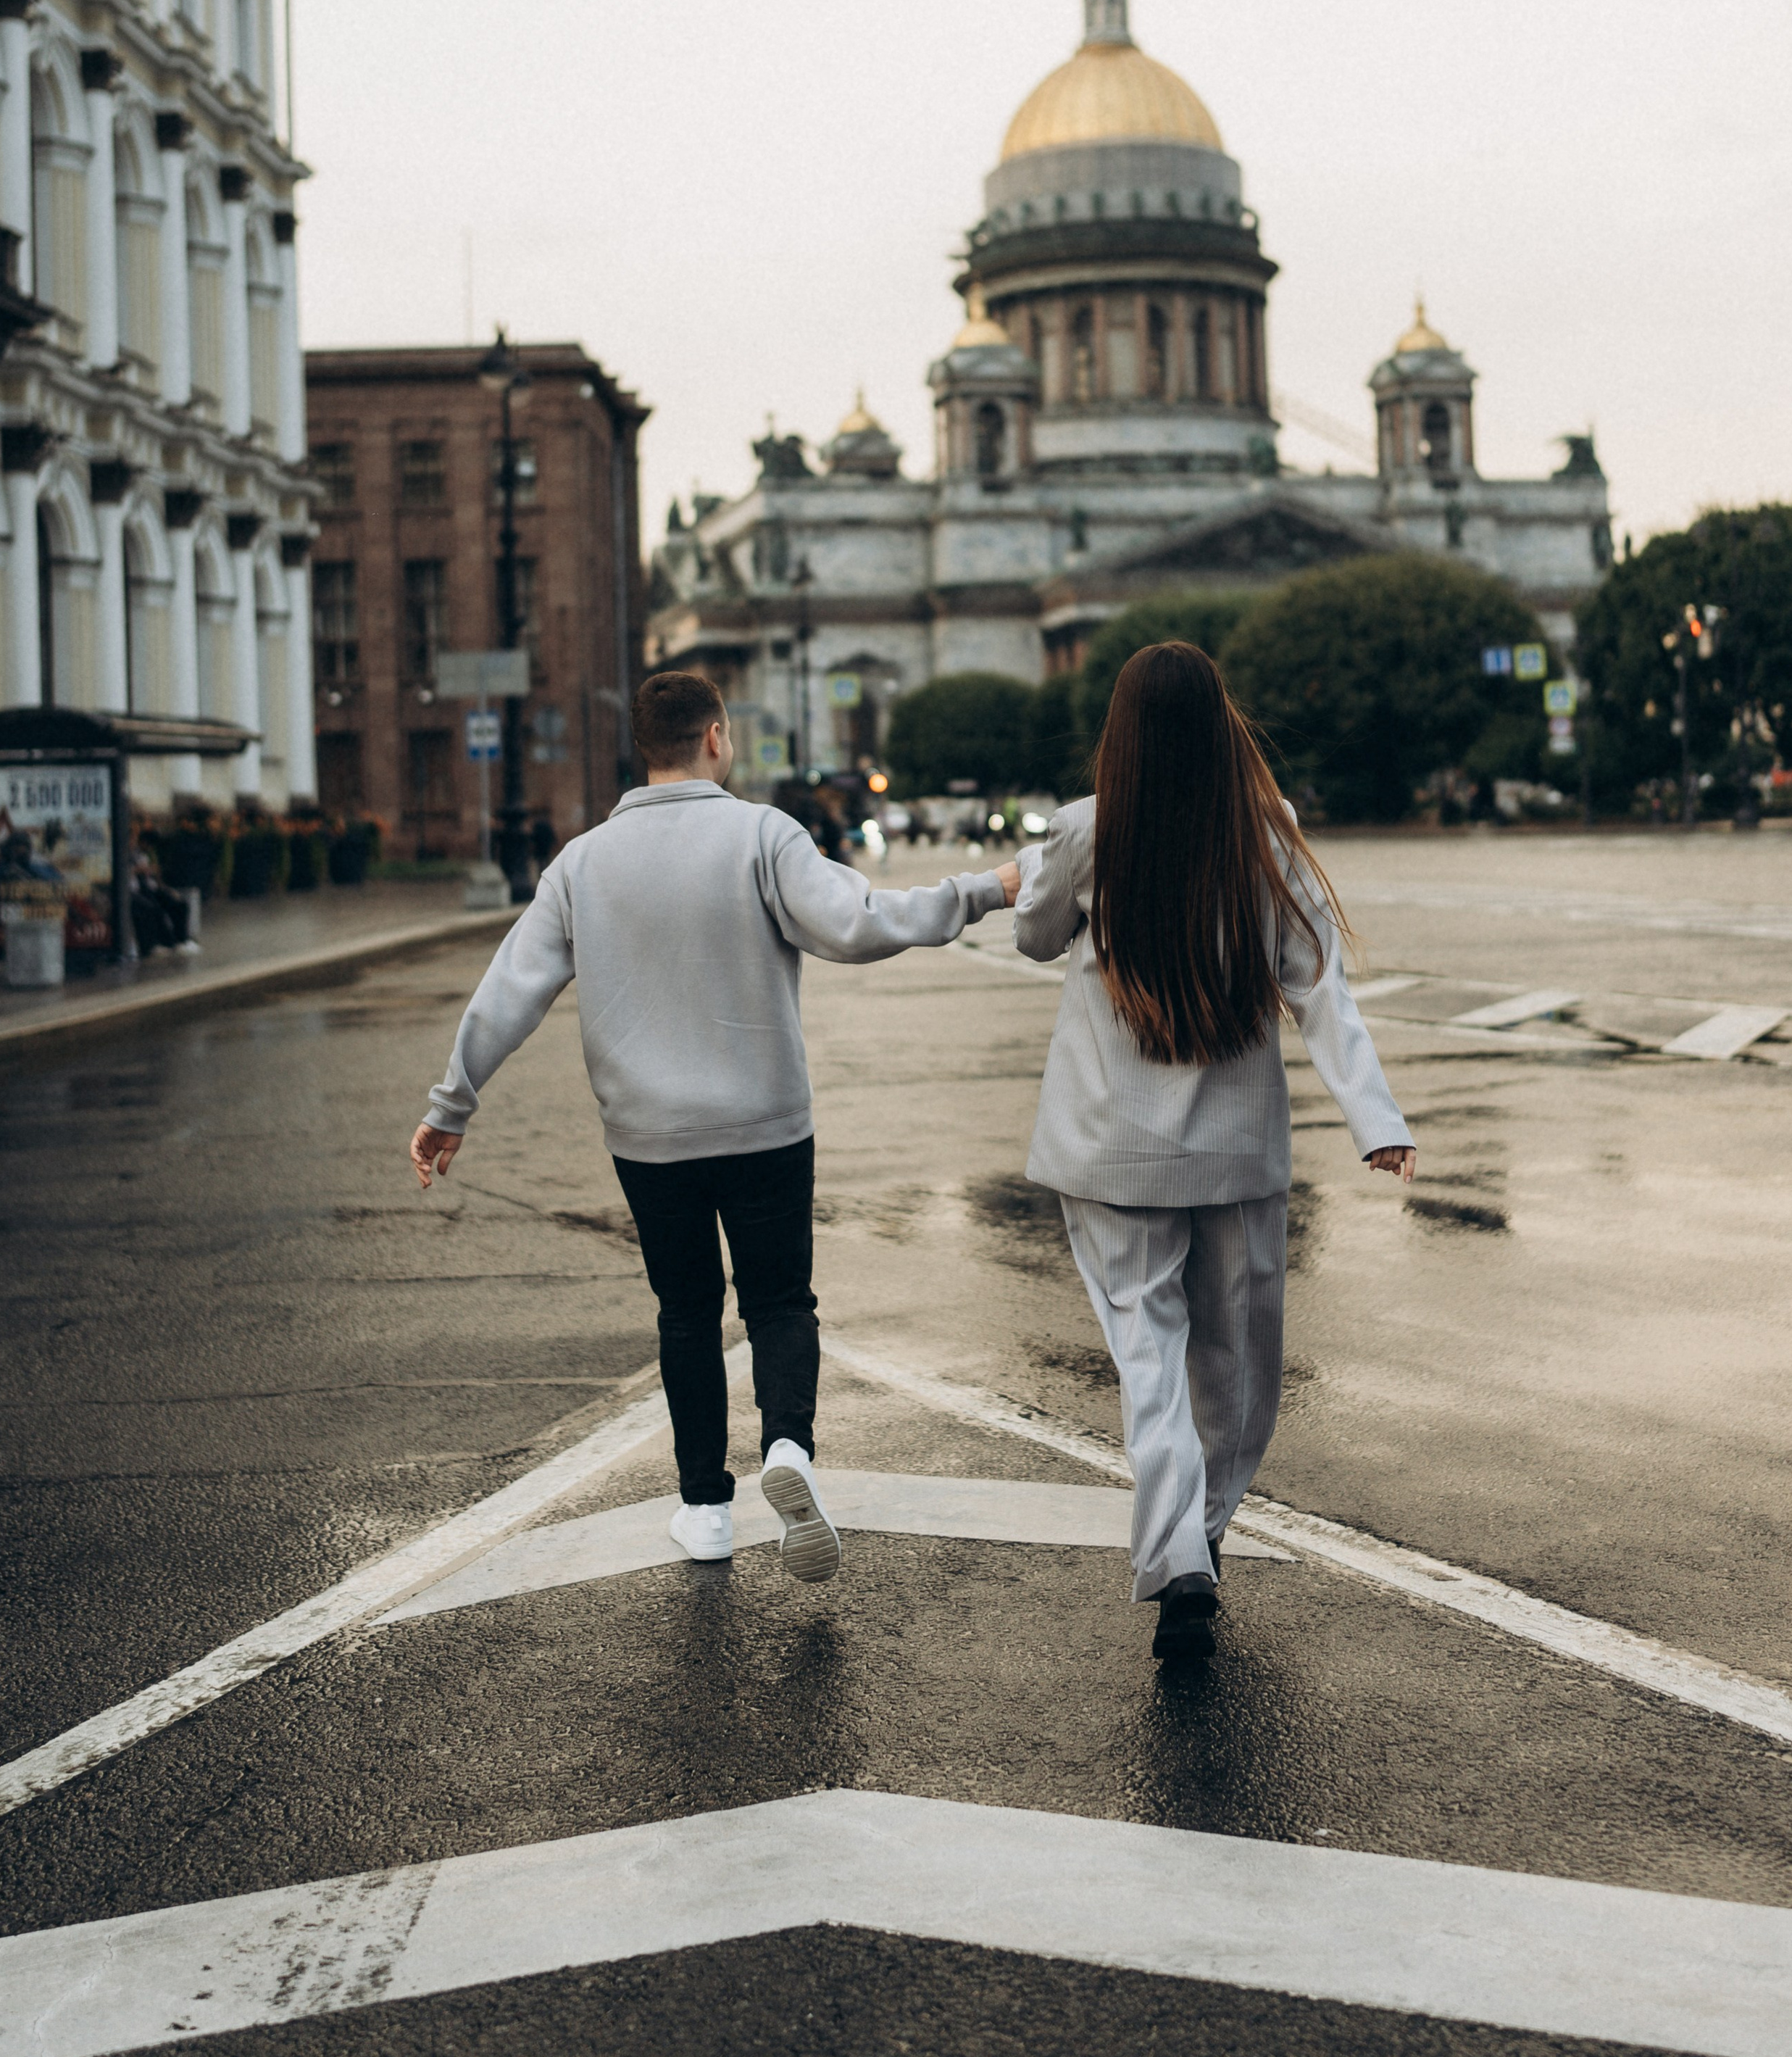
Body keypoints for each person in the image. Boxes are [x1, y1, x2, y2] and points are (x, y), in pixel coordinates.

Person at [410, 670, 1020, 1585]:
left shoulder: (580, 864)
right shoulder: (763, 836)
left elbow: (510, 996)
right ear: (717, 739)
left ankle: (703, 1510)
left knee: (686, 1313)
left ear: (642, 748)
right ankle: (789, 1450)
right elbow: (858, 924)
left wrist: (450, 1107)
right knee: (780, 1303)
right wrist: (985, 890)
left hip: (649, 1139)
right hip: (766, 1122)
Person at [1013, 641, 1414, 1663]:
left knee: (1148, 1360)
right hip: (1236, 1152)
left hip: (1108, 1149)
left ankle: (1178, 1552)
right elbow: (1321, 989)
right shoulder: (1265, 838)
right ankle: (1204, 1536)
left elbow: (1033, 936)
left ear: (1123, 735)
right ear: (1221, 722)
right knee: (1239, 1365)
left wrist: (1026, 881)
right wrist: (1377, 1120)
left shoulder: (1085, 831)